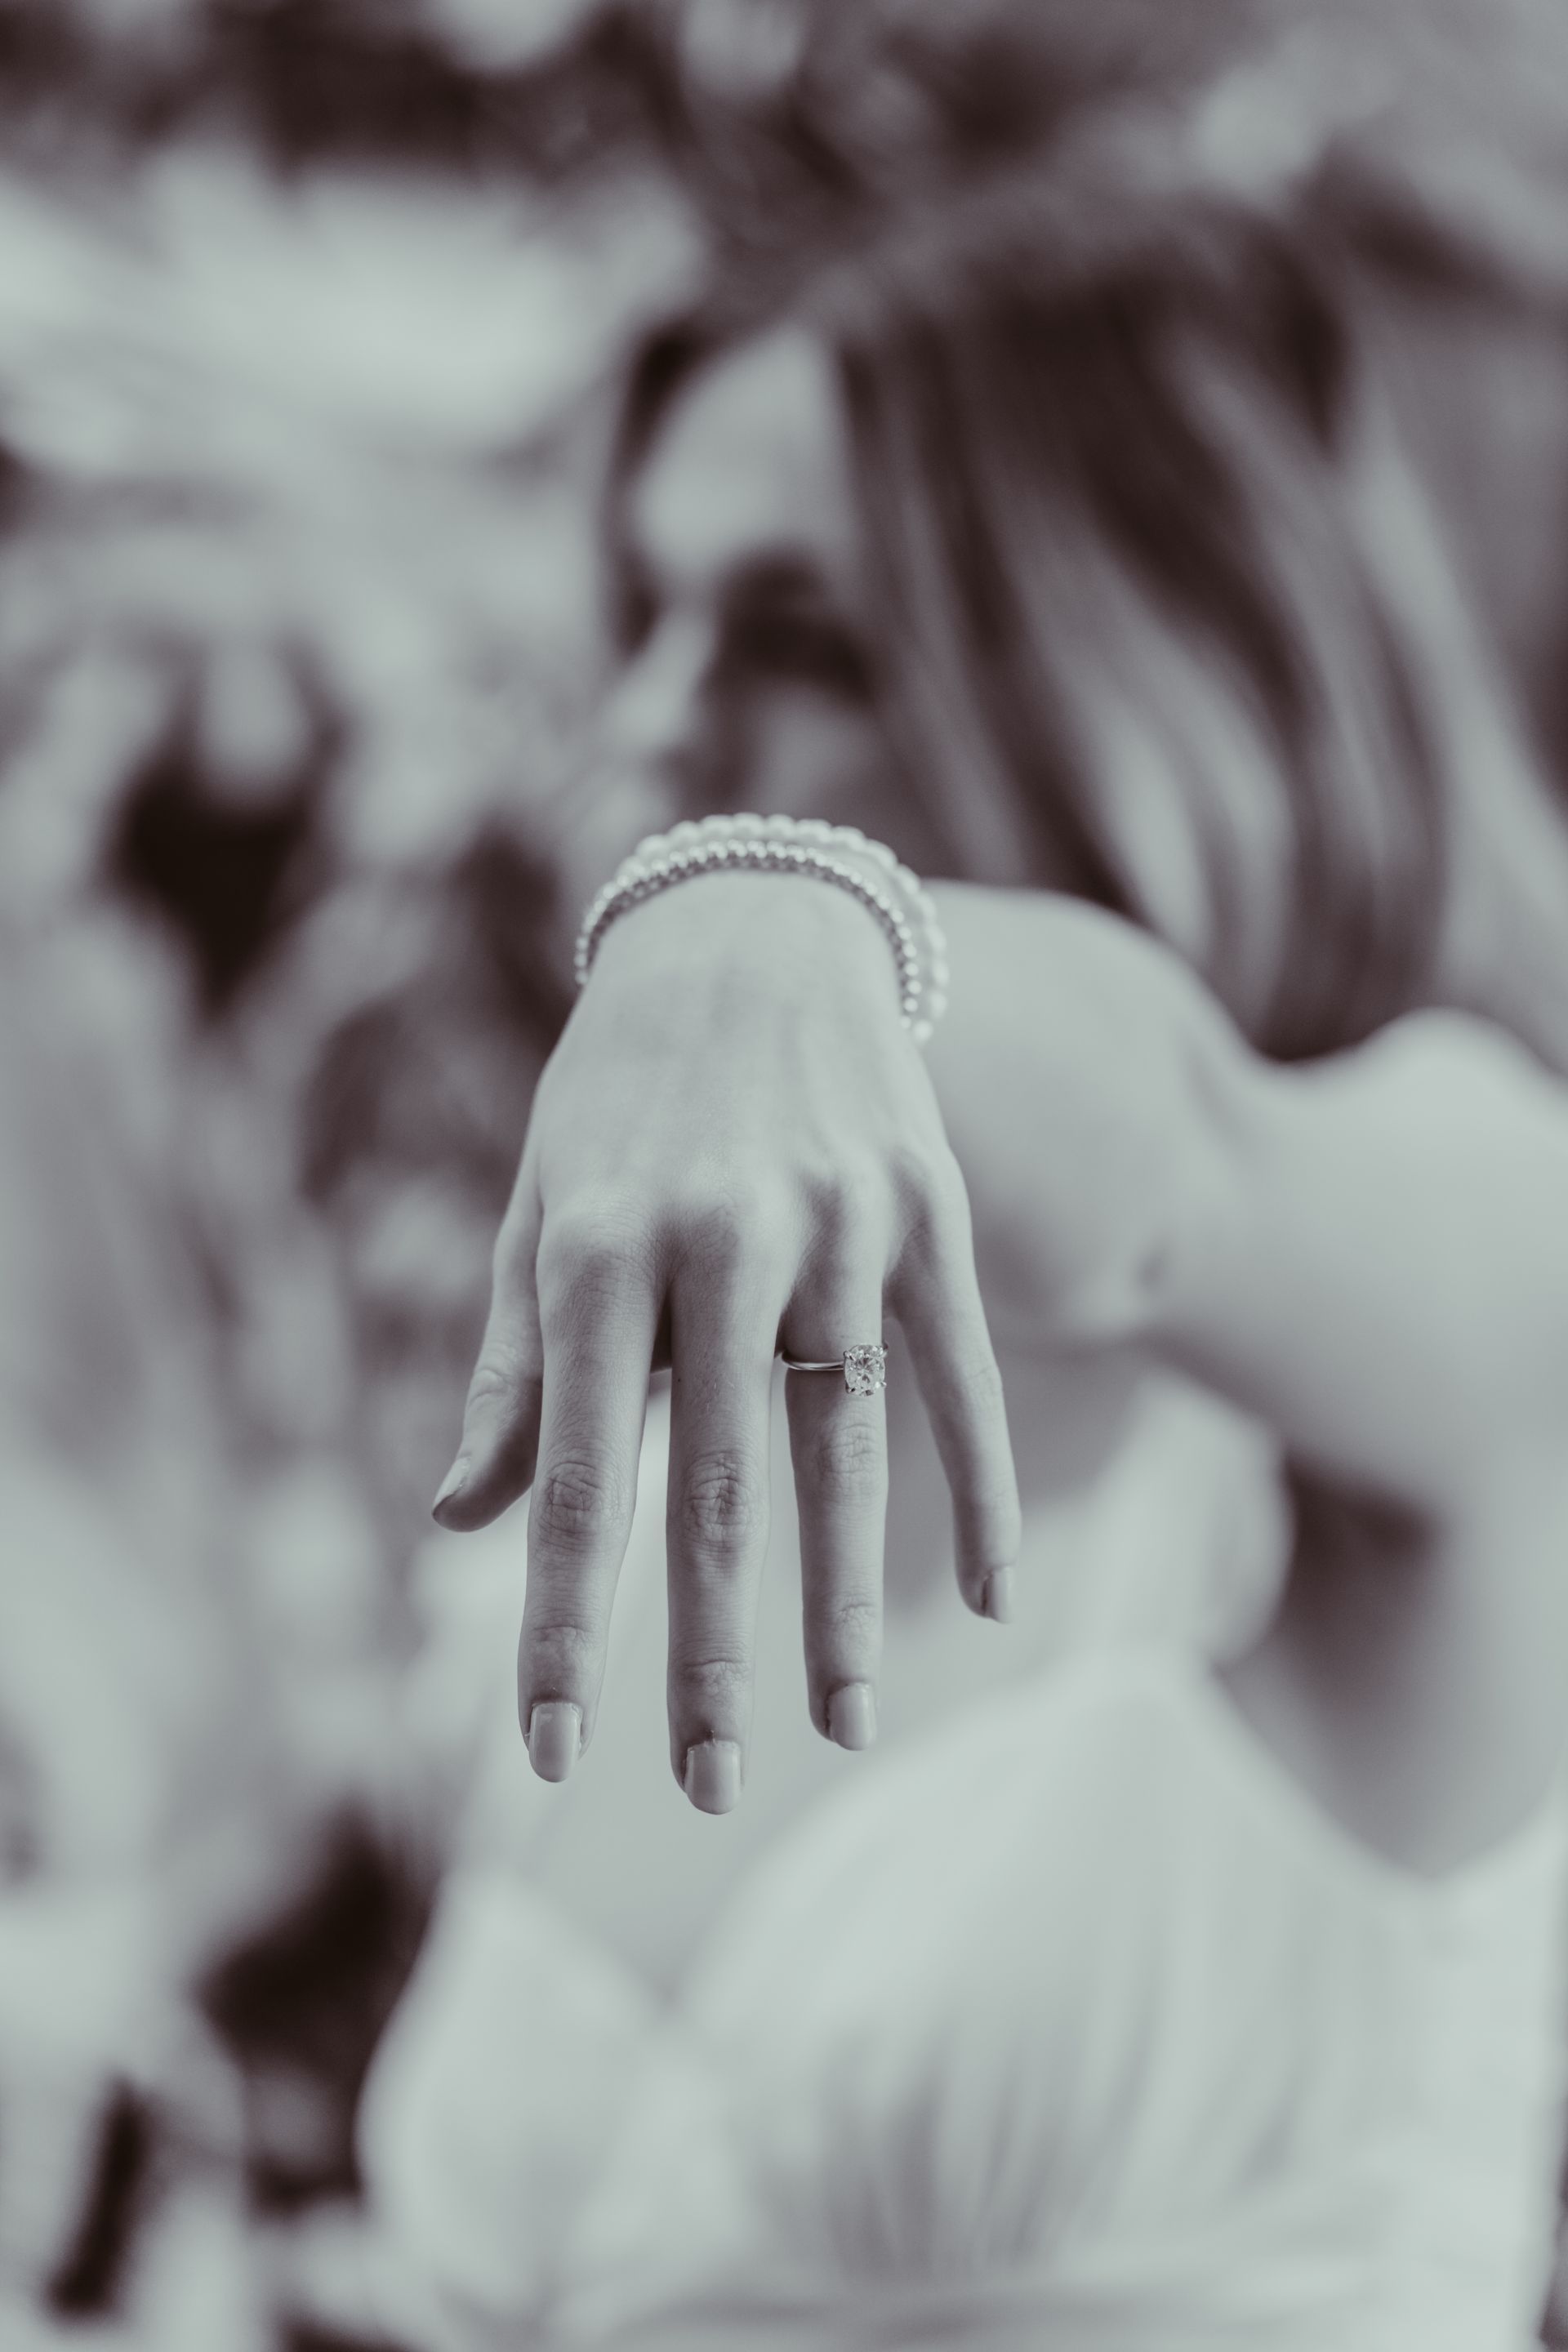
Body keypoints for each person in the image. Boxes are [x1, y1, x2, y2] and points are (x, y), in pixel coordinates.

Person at [403, 28, 1568, 2352]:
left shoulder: (1452, 1243)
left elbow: (1164, 1165)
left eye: (801, 638)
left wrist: (796, 916)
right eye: (644, 618)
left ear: (1162, 668)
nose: (652, 735)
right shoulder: (665, 1442)